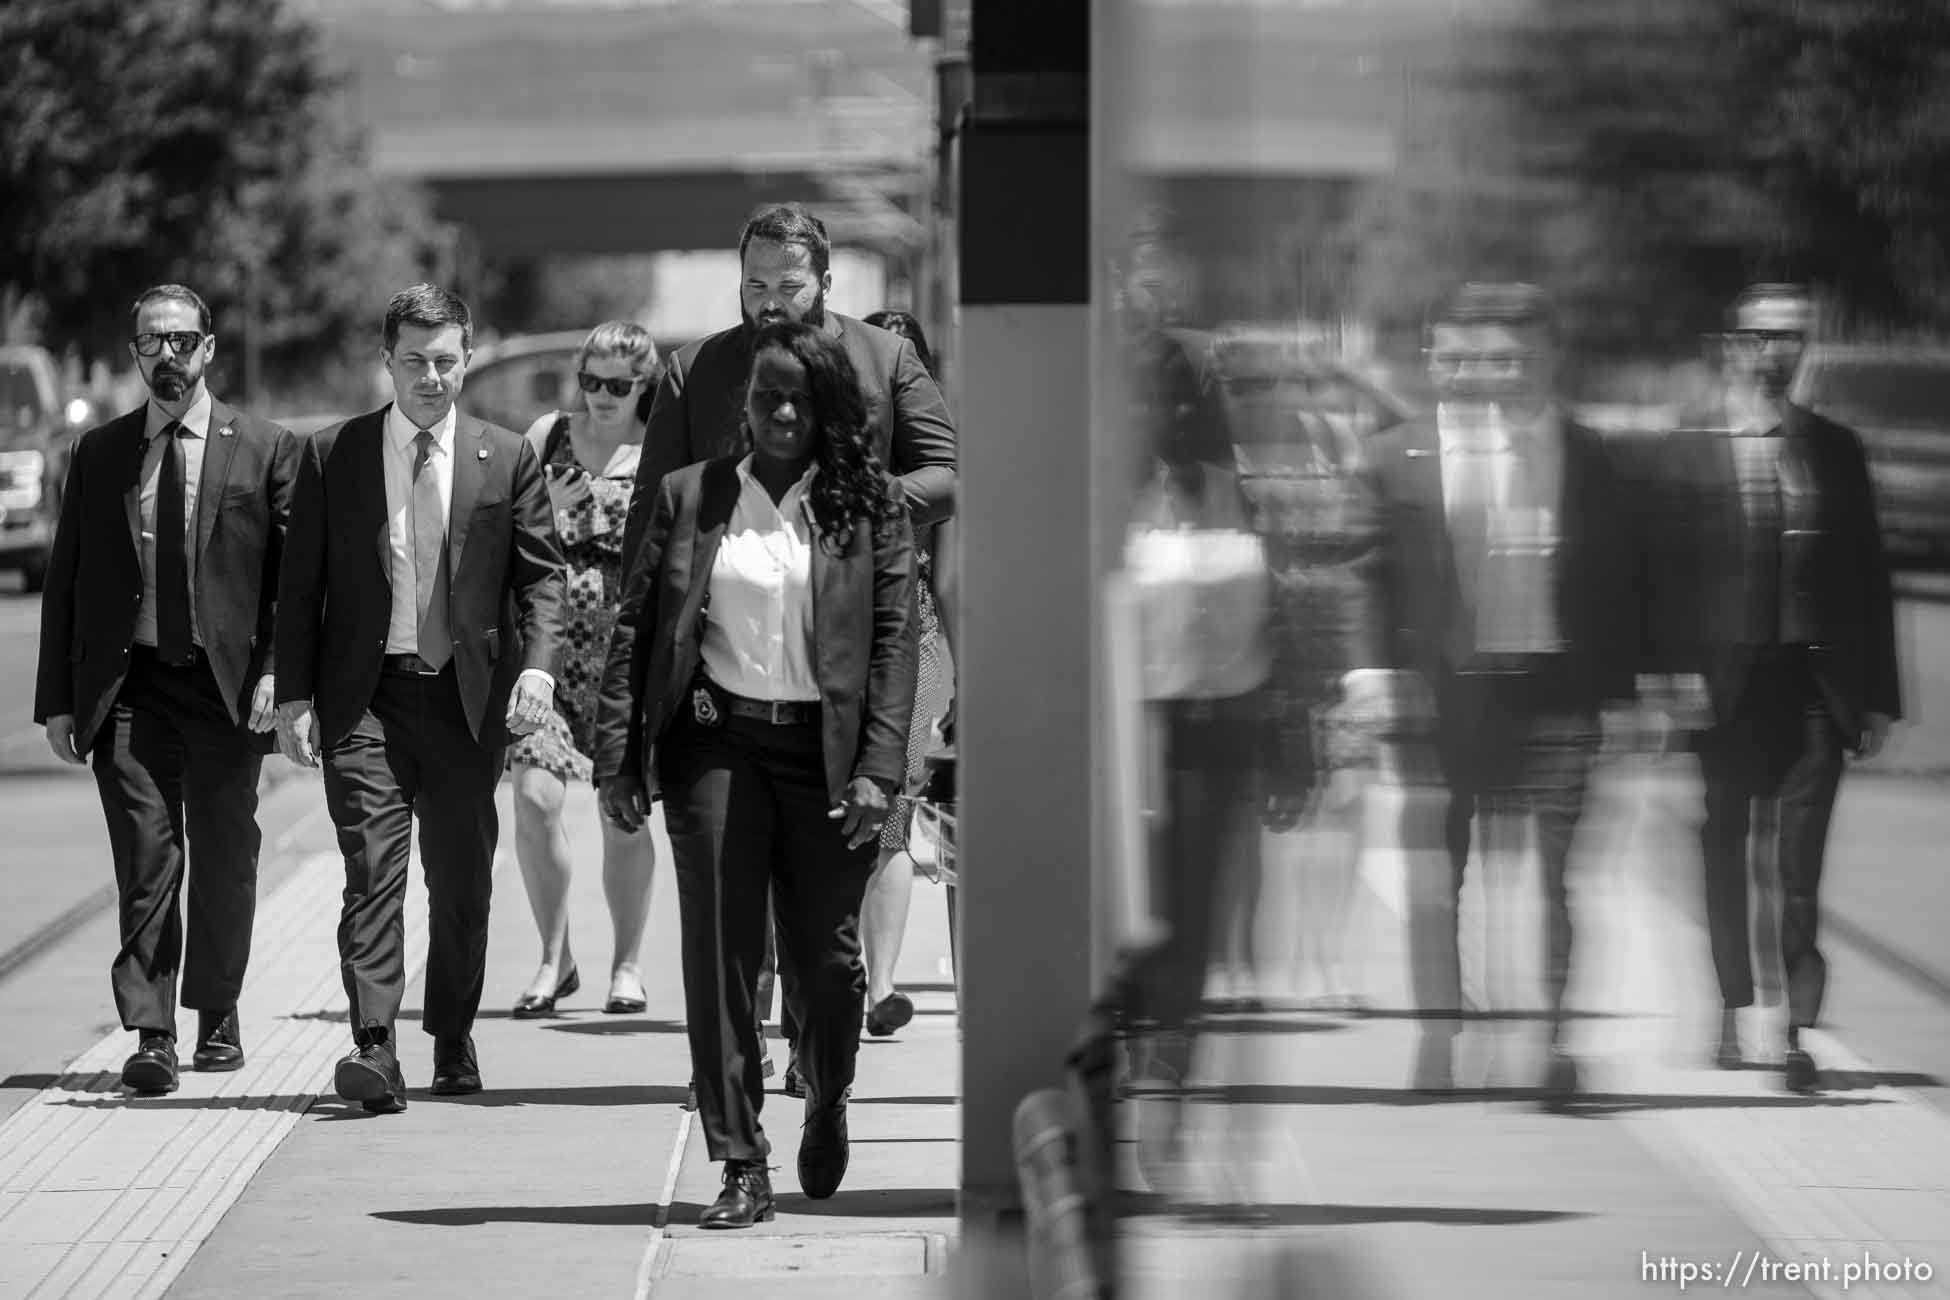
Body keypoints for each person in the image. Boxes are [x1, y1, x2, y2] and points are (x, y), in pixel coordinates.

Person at [599, 201, 957, 1096]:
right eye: (753, 286)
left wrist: (858, 516)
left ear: (826, 283)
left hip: (853, 654)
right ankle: (738, 1061)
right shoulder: (696, 372)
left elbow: (949, 471)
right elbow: (652, 515)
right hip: (724, 673)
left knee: (825, 876)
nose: (768, 302)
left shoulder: (884, 359)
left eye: (786, 286)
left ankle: (812, 1042)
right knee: (734, 871)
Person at [593, 320, 917, 1228]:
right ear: (744, 404)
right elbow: (637, 628)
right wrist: (618, 755)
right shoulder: (693, 495)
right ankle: (739, 1160)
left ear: (826, 410)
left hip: (830, 761)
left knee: (828, 963)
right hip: (717, 744)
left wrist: (879, 773)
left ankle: (827, 1093)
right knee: (720, 953)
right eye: (765, 395)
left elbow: (893, 647)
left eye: (797, 398)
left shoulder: (871, 506)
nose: (779, 411)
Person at [273, 284, 566, 1114]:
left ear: (467, 359)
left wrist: (537, 669)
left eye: (445, 361)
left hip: (469, 704)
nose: (430, 377)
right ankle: (374, 1045)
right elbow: (300, 592)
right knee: (372, 872)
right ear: (387, 362)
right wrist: (294, 695)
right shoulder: (334, 456)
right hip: (367, 701)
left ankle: (450, 1033)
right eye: (414, 361)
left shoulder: (505, 456)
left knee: (463, 882)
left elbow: (542, 580)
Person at [1365, 282, 1638, 1105]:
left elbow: (1630, 580)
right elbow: (1368, 576)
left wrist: (1635, 692)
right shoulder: (1399, 453)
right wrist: (1373, 675)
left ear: (1553, 357)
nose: (1497, 374)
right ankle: (1443, 1036)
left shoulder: (1594, 456)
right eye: (1480, 358)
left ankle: (1554, 1041)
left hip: (1556, 691)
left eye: (1518, 357)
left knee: (1557, 878)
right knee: (1440, 878)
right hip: (1445, 697)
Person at [33, 284, 299, 1095]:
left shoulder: (266, 448)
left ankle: (217, 1013)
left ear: (209, 349)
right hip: (131, 689)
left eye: (183, 341)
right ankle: (152, 1032)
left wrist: (280, 678)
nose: (169, 356)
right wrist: (58, 698)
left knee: (226, 859)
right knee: (148, 860)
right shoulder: (102, 454)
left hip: (226, 692)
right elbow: (67, 579)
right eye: (154, 342)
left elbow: (294, 584)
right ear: (135, 353)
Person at [1644, 284, 1900, 1093]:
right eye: (1760, 337)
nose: (1774, 351)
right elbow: (1664, 582)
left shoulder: (1836, 447)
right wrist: (1666, 679)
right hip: (1725, 691)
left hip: (1814, 689)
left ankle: (1793, 1030)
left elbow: (1868, 576)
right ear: (1730, 345)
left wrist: (1879, 696)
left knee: (1798, 869)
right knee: (1724, 852)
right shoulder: (1688, 448)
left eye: (1791, 337)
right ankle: (1729, 1007)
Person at [1114, 206, 1311, 1185]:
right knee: (1127, 915)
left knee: (1187, 915)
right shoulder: (1078, 407)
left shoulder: (1210, 405)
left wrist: (1287, 727)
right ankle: (1136, 1081)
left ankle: (1164, 1087)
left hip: (1201, 710)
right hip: (1111, 714)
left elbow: (1269, 572)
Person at [506, 322, 662, 1018]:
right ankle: (553, 956)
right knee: (535, 799)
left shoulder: (661, 447)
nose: (602, 396)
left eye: (619, 385)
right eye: (591, 380)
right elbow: (510, 532)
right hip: (548, 658)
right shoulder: (547, 437)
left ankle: (626, 965)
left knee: (622, 814)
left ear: (644, 386)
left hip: (627, 666)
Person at [856, 308, 958, 1035]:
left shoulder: (938, 472)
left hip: (916, 643)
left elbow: (953, 582)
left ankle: (880, 987)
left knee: (895, 813)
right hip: (830, 649)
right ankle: (854, 976)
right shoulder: (820, 454)